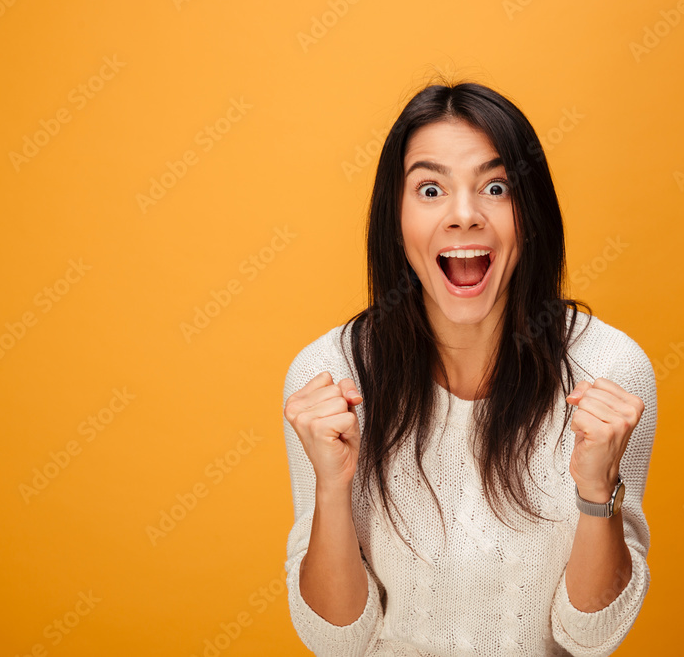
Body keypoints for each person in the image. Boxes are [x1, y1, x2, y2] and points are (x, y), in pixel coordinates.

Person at [282, 80, 657, 656]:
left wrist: (596, 490)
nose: (463, 216)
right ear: (396, 221)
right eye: (430, 189)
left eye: (496, 187)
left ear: (530, 216)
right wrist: (334, 487)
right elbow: (334, 641)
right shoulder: (330, 376)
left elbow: (590, 637)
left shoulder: (607, 370)